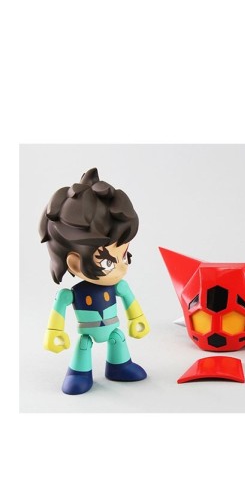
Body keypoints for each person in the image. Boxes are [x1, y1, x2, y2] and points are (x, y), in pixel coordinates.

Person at [40, 168, 150, 395]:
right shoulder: (71, 294)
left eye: (124, 255)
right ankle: (78, 373)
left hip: (111, 328)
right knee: (84, 345)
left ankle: (120, 366)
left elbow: (130, 302)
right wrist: (54, 331)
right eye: (109, 261)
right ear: (74, 263)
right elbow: (59, 309)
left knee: (117, 337)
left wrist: (137, 319)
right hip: (88, 332)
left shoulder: (119, 286)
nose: (121, 267)